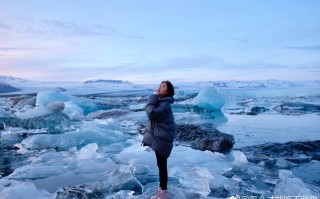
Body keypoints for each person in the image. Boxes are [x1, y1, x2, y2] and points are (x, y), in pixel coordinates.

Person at [142, 80, 176, 199]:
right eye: (160, 86)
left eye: (163, 86)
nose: (159, 88)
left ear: (168, 91)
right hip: (160, 138)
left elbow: (151, 113)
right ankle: (161, 191)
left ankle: (164, 193)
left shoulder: (164, 104)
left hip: (163, 139)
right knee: (160, 164)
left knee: (162, 165)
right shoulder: (161, 102)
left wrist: (153, 97)